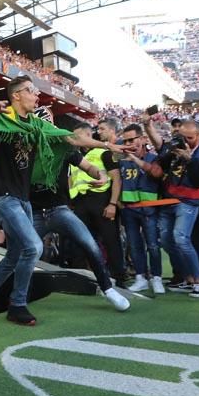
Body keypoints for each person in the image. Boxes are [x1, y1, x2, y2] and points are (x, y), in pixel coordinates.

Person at [0, 76, 125, 325]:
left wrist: (108, 146)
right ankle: (17, 305)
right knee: (34, 248)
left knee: (15, 254)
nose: (37, 96)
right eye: (31, 91)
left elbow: (72, 139)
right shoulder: (2, 117)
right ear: (16, 95)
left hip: (22, 200)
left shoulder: (38, 126)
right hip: (3, 197)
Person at [29, 138, 130, 311]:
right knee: (23, 253)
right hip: (35, 212)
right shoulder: (25, 150)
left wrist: (102, 175)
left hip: (59, 210)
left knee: (90, 244)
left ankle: (108, 289)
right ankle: (17, 297)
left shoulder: (63, 148)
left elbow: (89, 167)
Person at [146, 120, 199, 298]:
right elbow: (160, 167)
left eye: (189, 138)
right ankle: (185, 277)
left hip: (189, 201)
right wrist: (170, 154)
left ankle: (198, 282)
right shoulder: (174, 148)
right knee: (167, 241)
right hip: (169, 200)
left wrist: (189, 160)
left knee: (181, 239)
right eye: (182, 137)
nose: (185, 141)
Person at [69, 122, 125, 286]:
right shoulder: (76, 156)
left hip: (101, 202)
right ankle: (82, 278)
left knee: (111, 241)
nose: (74, 139)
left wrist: (112, 204)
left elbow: (116, 179)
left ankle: (119, 278)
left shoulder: (104, 153)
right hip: (80, 204)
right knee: (81, 241)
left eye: (77, 136)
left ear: (87, 136)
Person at [120, 124, 164, 294]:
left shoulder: (153, 158)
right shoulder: (121, 160)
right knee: (134, 245)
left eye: (132, 139)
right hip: (129, 209)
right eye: (126, 140)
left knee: (153, 245)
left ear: (143, 139)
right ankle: (140, 278)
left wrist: (136, 160)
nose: (129, 143)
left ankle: (156, 277)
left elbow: (156, 174)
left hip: (149, 209)